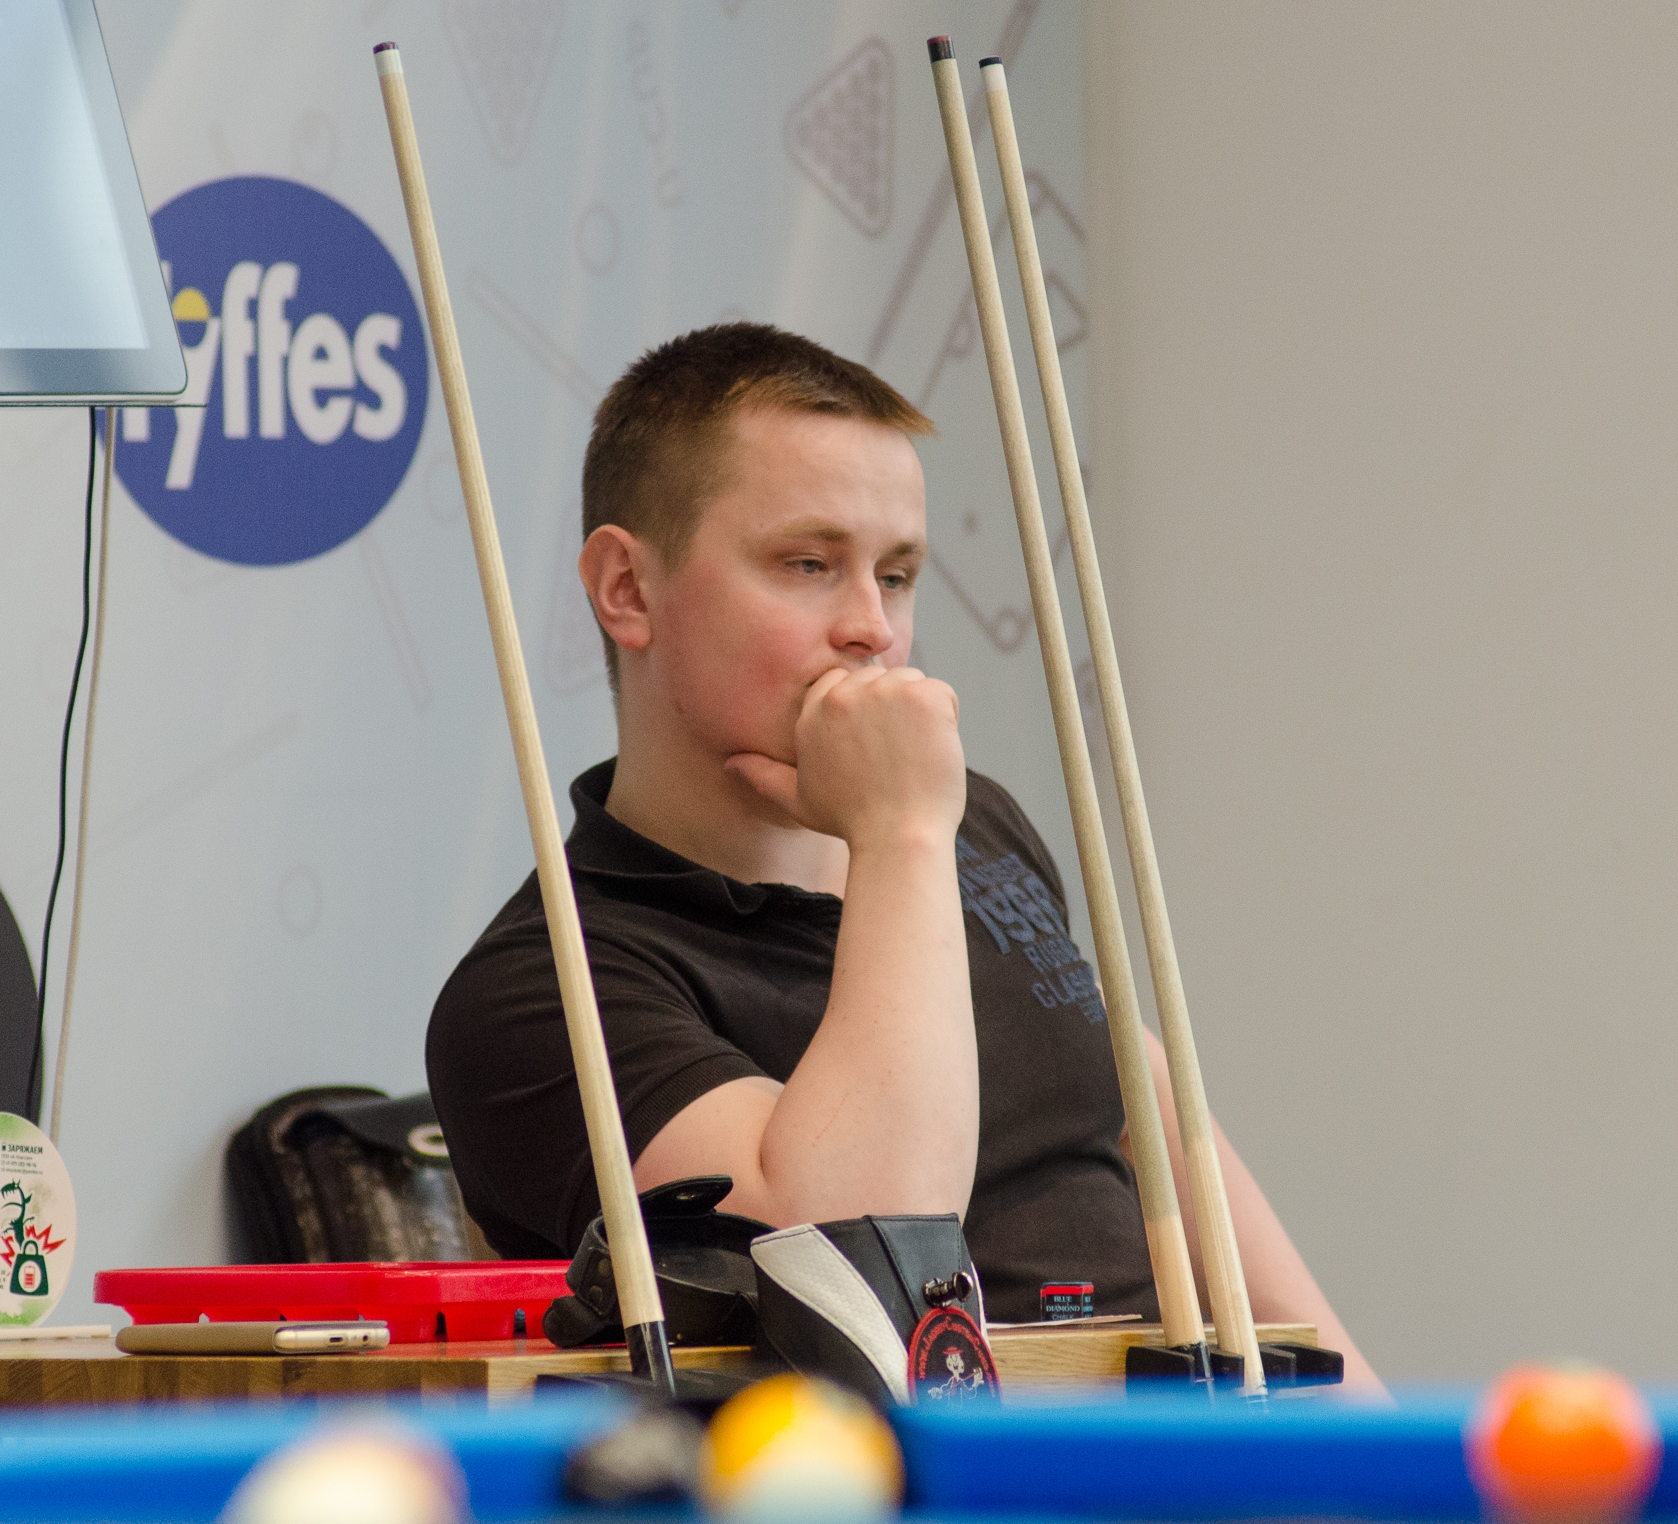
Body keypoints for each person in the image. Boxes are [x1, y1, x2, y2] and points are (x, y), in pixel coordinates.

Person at [426, 322, 1374, 1387]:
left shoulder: (968, 821)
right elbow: (860, 1278)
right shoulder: (536, 992)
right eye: (808, 565)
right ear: (627, 589)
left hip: (1172, 1446)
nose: (872, 627)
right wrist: (898, 836)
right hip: (887, 1483)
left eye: (898, 574)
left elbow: (1150, 1115)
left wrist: (1365, 1426)